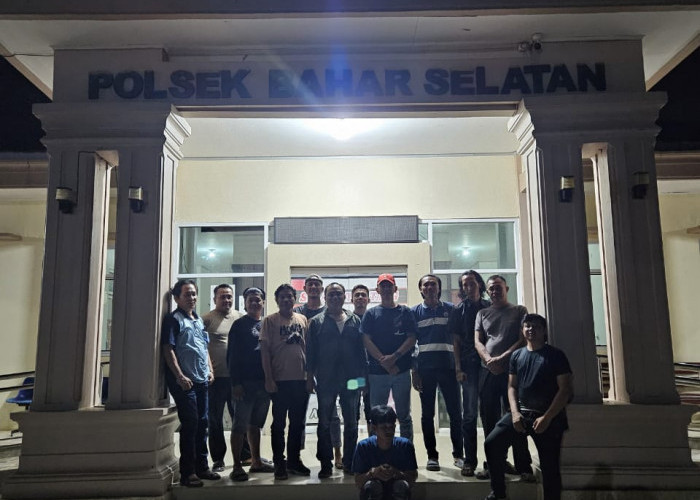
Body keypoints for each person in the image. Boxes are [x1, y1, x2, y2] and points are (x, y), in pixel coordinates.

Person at [483, 314, 573, 500]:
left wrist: (547, 418)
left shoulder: (556, 355)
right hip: (521, 415)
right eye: (527, 326)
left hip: (548, 419)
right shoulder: (517, 355)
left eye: (536, 326)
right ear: (522, 330)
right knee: (492, 444)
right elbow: (512, 387)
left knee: (550, 468)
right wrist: (515, 413)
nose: (531, 329)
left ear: (544, 330)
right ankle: (498, 494)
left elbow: (565, 390)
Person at [161, 279, 220, 487]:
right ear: (177, 298)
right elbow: (168, 349)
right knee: (191, 424)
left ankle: (202, 467)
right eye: (187, 294)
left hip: (202, 379)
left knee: (203, 423)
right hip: (185, 382)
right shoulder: (173, 319)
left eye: (194, 294)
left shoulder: (198, 319)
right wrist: (179, 376)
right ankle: (188, 473)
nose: (192, 298)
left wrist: (210, 370)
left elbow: (203, 347)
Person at [474, 275, 533, 480]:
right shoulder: (482, 313)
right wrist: (489, 360)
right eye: (491, 288)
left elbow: (522, 339)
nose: (494, 291)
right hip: (488, 371)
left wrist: (502, 358)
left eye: (498, 287)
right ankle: (494, 466)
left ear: (506, 288)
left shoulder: (519, 310)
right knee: (489, 420)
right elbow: (478, 341)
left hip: (512, 372)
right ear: (487, 291)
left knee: (516, 418)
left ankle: (523, 467)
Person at [306, 282, 366, 478]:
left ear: (344, 297)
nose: (334, 297)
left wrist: (363, 380)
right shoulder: (316, 322)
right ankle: (325, 464)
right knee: (324, 423)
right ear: (325, 297)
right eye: (331, 294)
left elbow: (361, 353)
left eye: (338, 294)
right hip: (326, 379)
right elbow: (310, 353)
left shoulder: (355, 320)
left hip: (352, 380)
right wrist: (309, 377)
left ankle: (349, 462)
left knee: (352, 423)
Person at [411, 274, 462, 471]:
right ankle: (432, 456)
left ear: (439, 288)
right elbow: (412, 343)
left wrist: (459, 367)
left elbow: (457, 339)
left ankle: (458, 455)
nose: (429, 287)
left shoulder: (451, 309)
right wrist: (414, 371)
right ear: (421, 289)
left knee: (455, 413)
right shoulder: (414, 312)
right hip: (425, 370)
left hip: (449, 368)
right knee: (427, 415)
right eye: (426, 285)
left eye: (433, 284)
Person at [260, 283, 311, 480]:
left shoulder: (302, 319)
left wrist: (309, 377)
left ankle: (294, 461)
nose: (286, 299)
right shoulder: (269, 321)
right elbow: (265, 351)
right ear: (277, 300)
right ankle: (279, 463)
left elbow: (307, 349)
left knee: (297, 424)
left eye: (290, 296)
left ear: (294, 299)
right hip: (279, 380)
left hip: (300, 380)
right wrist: (268, 378)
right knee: (279, 424)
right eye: (282, 297)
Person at [293, 274, 343, 468]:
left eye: (317, 284)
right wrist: (308, 374)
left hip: (326, 373)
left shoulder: (329, 312)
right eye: (310, 284)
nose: (313, 287)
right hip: (300, 370)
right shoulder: (297, 312)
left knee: (332, 416)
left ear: (322, 290)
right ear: (304, 289)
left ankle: (337, 452)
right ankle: (296, 456)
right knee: (299, 414)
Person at [360, 274, 417, 441]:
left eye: (389, 285)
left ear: (395, 289)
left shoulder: (405, 312)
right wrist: (383, 361)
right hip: (377, 373)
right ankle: (376, 452)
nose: (386, 289)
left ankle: (407, 451)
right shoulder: (371, 314)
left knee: (404, 416)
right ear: (377, 290)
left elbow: (412, 338)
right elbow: (366, 340)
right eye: (382, 286)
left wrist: (394, 357)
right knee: (377, 416)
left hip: (401, 372)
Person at [227, 287, 274, 481]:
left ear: (263, 302)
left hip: (264, 384)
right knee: (239, 425)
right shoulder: (238, 325)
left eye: (258, 300)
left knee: (255, 425)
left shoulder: (267, 323)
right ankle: (237, 466)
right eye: (250, 300)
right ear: (245, 303)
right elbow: (232, 356)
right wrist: (236, 383)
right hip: (244, 384)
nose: (254, 303)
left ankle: (256, 462)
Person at [448, 270, 490, 477]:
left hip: (490, 365)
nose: (468, 287)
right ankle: (470, 461)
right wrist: (458, 367)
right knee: (470, 414)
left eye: (471, 283)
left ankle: (494, 461)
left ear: (479, 284)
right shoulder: (458, 310)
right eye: (464, 284)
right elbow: (455, 341)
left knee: (490, 414)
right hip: (468, 365)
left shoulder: (490, 307)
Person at [201, 283, 243, 472]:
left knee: (239, 418)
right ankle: (218, 459)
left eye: (229, 296)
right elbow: (200, 347)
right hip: (215, 379)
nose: (226, 300)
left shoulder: (240, 317)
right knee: (215, 420)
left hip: (236, 378)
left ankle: (245, 455)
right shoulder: (206, 320)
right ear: (215, 299)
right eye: (222, 296)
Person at [352, 405, 418, 500]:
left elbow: (412, 478)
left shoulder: (405, 445)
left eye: (391, 427)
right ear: (374, 428)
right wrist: (372, 473)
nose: (389, 431)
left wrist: (397, 473)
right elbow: (358, 482)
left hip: (396, 492)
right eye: (384, 427)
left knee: (401, 486)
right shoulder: (363, 446)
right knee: (371, 486)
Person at [351, 284, 372, 427]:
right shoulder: (347, 320)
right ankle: (352, 441)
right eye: (357, 295)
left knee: (372, 410)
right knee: (353, 410)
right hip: (353, 374)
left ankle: (373, 439)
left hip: (372, 372)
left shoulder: (374, 318)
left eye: (363, 295)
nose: (360, 297)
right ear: (352, 299)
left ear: (368, 300)